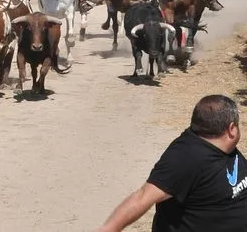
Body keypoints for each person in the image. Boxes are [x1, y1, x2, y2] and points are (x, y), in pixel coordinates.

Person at [97, 94, 247, 232]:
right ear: (231, 129)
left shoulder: (224, 148)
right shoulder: (185, 157)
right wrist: (110, 228)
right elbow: (143, 197)